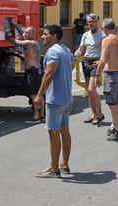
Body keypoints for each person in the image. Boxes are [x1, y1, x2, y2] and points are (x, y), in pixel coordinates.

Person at [32, 24, 74, 178]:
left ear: (54, 36)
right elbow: (72, 64)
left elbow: (49, 74)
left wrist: (38, 95)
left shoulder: (53, 51)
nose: (42, 36)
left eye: (45, 33)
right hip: (66, 98)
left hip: (55, 99)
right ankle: (64, 165)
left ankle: (54, 169)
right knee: (64, 130)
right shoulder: (65, 49)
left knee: (53, 133)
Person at [97, 18, 118, 142]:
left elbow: (103, 59)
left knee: (113, 104)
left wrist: (97, 75)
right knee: (116, 103)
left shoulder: (107, 40)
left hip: (111, 75)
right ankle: (115, 126)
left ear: (105, 28)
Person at [75, 14, 104, 125]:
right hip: (86, 61)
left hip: (96, 62)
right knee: (89, 90)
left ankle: (100, 114)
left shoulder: (102, 35)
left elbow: (104, 50)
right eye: (89, 22)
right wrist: (74, 55)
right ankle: (93, 113)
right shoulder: (85, 35)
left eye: (93, 21)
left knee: (92, 89)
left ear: (97, 22)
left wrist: (101, 61)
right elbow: (81, 49)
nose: (91, 23)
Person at [12, 25, 45, 122]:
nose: (24, 34)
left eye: (26, 33)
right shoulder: (34, 42)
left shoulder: (29, 42)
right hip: (36, 71)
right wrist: (14, 24)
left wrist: (8, 34)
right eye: (24, 32)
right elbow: (22, 30)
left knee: (33, 94)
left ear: (31, 34)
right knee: (39, 94)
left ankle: (36, 115)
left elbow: (15, 42)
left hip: (32, 71)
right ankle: (42, 114)